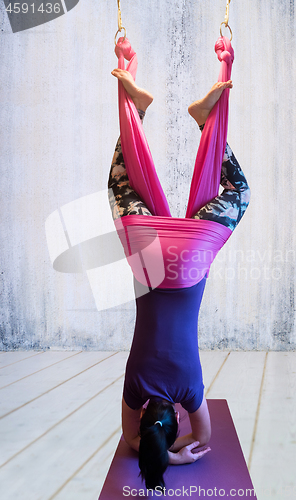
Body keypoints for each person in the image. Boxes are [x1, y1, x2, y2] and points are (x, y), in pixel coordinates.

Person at [108, 68, 251, 490]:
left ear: (177, 420)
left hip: (189, 259)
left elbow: (202, 438)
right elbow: (132, 438)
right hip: (148, 252)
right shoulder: (135, 386)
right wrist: (156, 451)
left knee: (236, 190)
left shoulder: (190, 389)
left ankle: (207, 122)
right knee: (121, 182)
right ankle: (136, 111)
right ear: (147, 415)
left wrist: (177, 460)